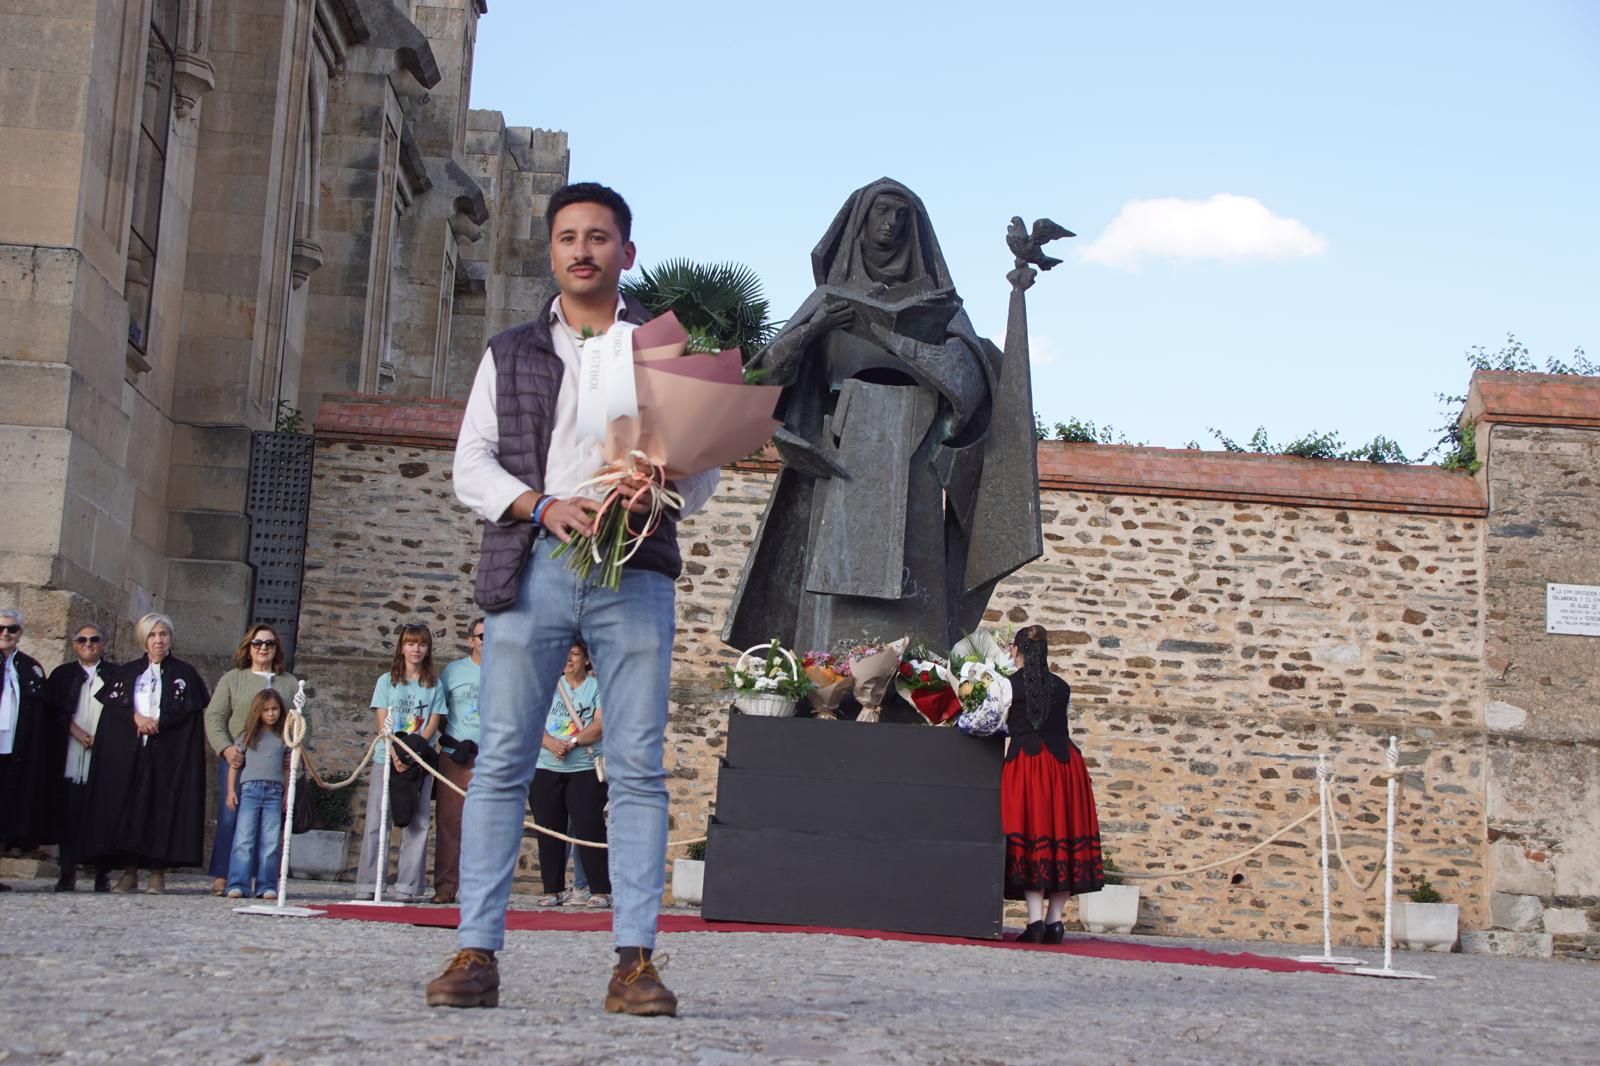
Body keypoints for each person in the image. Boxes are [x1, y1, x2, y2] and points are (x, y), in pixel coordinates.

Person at [428, 182, 717, 1016]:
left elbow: (703, 474)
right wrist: (544, 505)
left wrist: (661, 490)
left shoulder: (661, 351)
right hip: (534, 564)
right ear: (551, 252)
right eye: (567, 237)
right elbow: (470, 465)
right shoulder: (509, 351)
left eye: (599, 237)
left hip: (633, 574)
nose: (582, 249)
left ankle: (635, 963)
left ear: (627, 253)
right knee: (503, 763)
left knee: (635, 768)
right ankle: (475, 954)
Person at [84, 613, 211, 894]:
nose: (158, 640)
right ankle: (129, 872)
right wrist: (136, 719)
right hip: (131, 754)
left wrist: (161, 723)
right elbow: (115, 711)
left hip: (167, 755)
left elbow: (188, 715)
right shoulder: (128, 673)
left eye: (163, 634)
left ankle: (157, 872)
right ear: (144, 639)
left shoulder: (184, 674)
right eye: (153, 635)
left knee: (161, 810)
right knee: (130, 810)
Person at [1002, 624, 1105, 944]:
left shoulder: (1007, 686)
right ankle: (1054, 921)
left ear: (1016, 650)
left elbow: (990, 723)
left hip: (1030, 765)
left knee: (1034, 833)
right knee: (1062, 834)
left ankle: (1034, 922)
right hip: (1065, 765)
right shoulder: (1062, 687)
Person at [203, 625, 301, 895]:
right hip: (240, 756)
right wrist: (225, 748)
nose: (263, 648)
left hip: (274, 759)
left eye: (269, 644)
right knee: (232, 817)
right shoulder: (233, 679)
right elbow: (214, 716)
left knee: (270, 825)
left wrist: (293, 755)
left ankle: (264, 879)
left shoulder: (289, 683)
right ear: (248, 647)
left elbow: (302, 721)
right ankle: (225, 874)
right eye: (257, 643)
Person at [354, 622, 445, 901]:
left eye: (421, 644)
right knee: (378, 821)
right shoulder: (387, 681)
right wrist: (395, 753)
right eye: (410, 643)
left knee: (418, 823)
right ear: (402, 647)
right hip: (387, 757)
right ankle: (369, 884)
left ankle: (408, 886)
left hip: (419, 761)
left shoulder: (434, 684)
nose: (415, 649)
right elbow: (383, 721)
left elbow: (433, 720)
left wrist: (414, 752)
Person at [528, 642, 609, 909]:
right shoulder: (546, 685)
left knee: (590, 828)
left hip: (583, 768)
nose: (568, 659)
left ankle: (599, 888)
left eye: (574, 654)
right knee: (549, 830)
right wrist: (550, 742)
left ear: (586, 659)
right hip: (546, 767)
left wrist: (573, 741)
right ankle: (552, 889)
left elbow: (600, 724)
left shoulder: (597, 688)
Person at [47, 623, 116, 892]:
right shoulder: (62, 675)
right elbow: (53, 712)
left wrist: (105, 738)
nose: (88, 644)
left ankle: (102, 873)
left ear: (103, 643)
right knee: (69, 813)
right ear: (74, 644)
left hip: (104, 753)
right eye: (82, 639)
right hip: (70, 752)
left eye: (94, 639)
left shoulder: (114, 674)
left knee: (101, 815)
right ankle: (67, 871)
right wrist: (75, 731)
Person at [0, 608, 56, 889]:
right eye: (1, 629)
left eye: (12, 629)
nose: (6, 634)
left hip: (16, 748)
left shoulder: (30, 668)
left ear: (20, 633)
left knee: (8, 806)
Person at [433, 618, 485, 905]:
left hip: (490, 756)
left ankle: (480, 890)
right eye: (482, 636)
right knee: (450, 822)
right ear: (471, 641)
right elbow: (440, 712)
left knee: (488, 825)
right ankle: (445, 887)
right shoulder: (453, 672)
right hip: (456, 755)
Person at [225, 689, 291, 899]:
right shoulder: (246, 737)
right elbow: (235, 766)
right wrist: (230, 791)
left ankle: (266, 885)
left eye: (274, 709)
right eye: (266, 710)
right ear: (258, 712)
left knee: (270, 841)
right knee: (244, 839)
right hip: (250, 790)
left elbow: (288, 768)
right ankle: (238, 883)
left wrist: (287, 793)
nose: (271, 714)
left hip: (274, 791)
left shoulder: (284, 738)